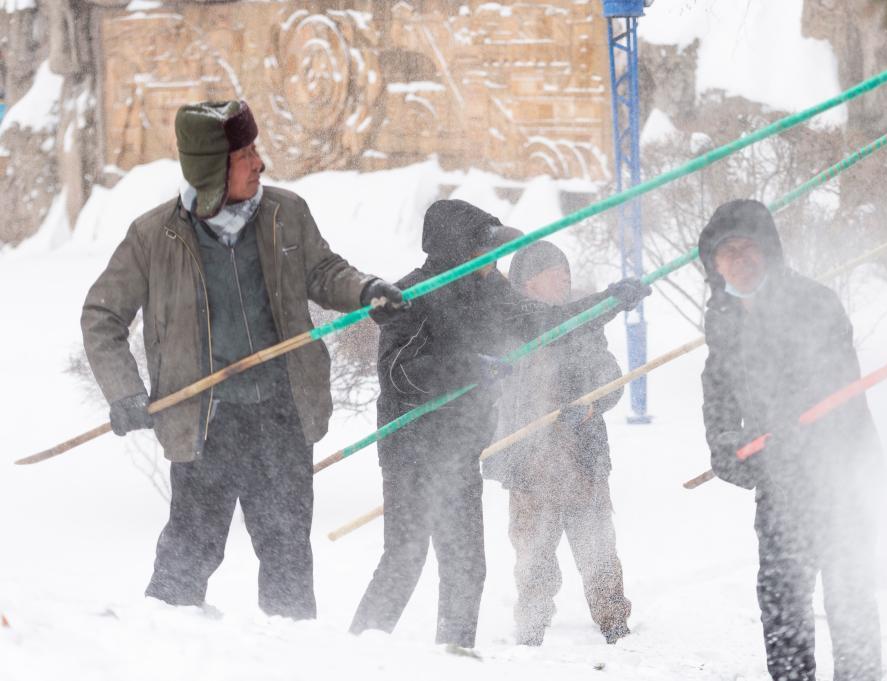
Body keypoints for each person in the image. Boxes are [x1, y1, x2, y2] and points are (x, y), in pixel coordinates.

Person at [81, 100, 407, 619]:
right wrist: (124, 392)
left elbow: (324, 272)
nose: (259, 163)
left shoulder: (285, 214)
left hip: (281, 414)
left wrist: (366, 290)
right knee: (189, 553)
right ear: (212, 169)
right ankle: (163, 651)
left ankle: (290, 660)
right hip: (205, 421)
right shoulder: (154, 237)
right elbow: (102, 316)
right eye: (245, 154)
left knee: (287, 555)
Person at [349, 199, 650, 652]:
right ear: (458, 251)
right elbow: (398, 374)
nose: (494, 261)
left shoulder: (489, 292)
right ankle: (355, 654)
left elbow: (547, 323)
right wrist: (468, 368)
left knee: (466, 564)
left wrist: (606, 303)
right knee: (405, 558)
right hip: (412, 450)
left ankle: (453, 655)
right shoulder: (410, 295)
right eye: (485, 251)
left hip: (461, 447)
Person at [698, 199, 883, 681]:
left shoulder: (814, 302)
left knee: (849, 598)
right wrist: (723, 445)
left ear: (770, 252)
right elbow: (717, 386)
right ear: (713, 263)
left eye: (748, 248)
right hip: (779, 484)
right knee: (782, 603)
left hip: (840, 473)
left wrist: (789, 435)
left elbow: (835, 383)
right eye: (727, 251)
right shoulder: (722, 316)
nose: (739, 259)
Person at [482, 240, 631, 646]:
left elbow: (611, 381)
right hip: (529, 467)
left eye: (566, 269)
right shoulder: (508, 330)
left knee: (598, 547)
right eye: (553, 270)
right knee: (533, 555)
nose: (564, 276)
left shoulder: (582, 326)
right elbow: (495, 396)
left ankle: (614, 620)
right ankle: (531, 623)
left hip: (582, 460)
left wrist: (587, 407)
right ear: (528, 282)